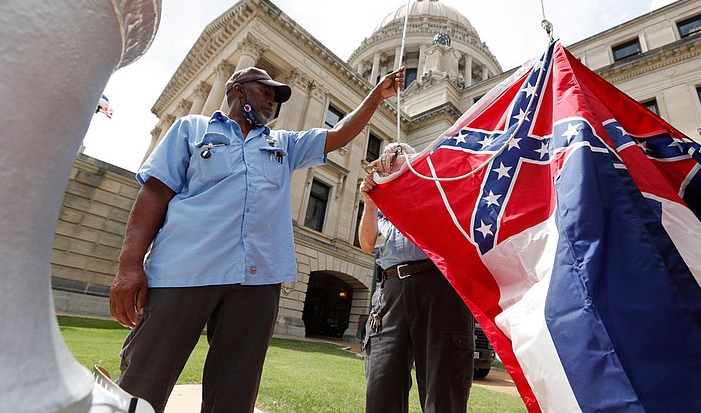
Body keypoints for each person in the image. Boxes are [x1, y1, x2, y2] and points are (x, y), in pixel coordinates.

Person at [109, 65, 405, 413]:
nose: (272, 101)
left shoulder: (283, 144)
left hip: (257, 279)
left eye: (276, 97)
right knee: (145, 378)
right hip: (184, 270)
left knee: (235, 388)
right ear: (237, 89)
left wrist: (376, 95)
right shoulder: (192, 129)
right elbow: (154, 195)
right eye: (265, 91)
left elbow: (339, 134)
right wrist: (129, 266)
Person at [359, 143, 475, 413]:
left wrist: (413, 172)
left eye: (398, 152)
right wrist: (370, 201)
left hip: (438, 286)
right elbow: (367, 244)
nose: (389, 156)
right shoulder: (383, 207)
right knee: (381, 384)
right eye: (386, 153)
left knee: (443, 388)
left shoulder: (435, 185)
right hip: (390, 291)